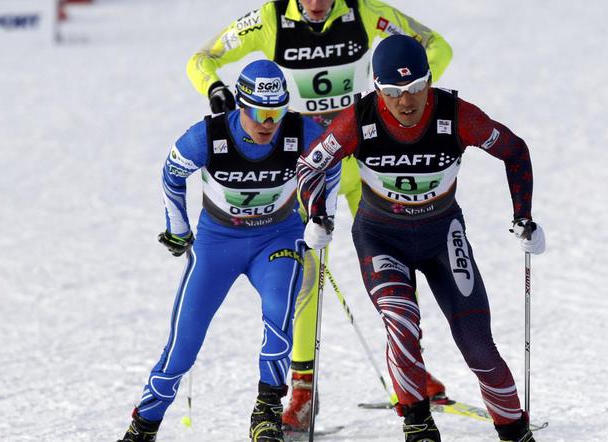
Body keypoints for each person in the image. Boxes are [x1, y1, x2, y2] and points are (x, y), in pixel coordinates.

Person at [186, 0, 454, 431]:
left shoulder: (366, 13)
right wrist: (215, 90)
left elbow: (437, 46)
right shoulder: (270, 20)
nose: (315, 5)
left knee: (396, 262)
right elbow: (202, 59)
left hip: (367, 160)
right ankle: (302, 393)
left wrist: (399, 99)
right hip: (308, 167)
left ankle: (412, 371)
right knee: (305, 276)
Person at [296, 35, 546, 442]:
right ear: (377, 88)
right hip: (381, 237)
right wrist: (317, 215)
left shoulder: (457, 115)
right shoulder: (358, 119)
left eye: (415, 89)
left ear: (429, 81)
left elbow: (514, 151)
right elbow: (309, 166)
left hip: (442, 235)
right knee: (400, 321)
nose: (405, 102)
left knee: (478, 346)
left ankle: (514, 430)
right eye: (393, 92)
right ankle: (417, 424)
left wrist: (524, 218)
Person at [117, 60, 338, 442]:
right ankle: (144, 425)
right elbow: (171, 172)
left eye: (277, 112)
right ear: (240, 105)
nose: (269, 122)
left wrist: (321, 215)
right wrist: (178, 228)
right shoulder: (209, 135)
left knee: (278, 316)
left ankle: (266, 412)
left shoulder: (300, 130)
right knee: (183, 345)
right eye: (260, 113)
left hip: (277, 240)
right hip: (218, 244)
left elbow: (331, 165)